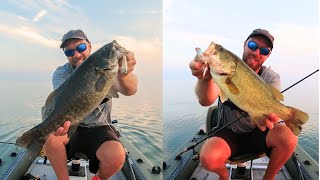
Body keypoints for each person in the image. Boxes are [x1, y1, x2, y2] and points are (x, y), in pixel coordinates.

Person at [189, 29, 297, 180]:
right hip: (228, 131)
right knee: (208, 158)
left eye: (264, 50)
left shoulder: (271, 77)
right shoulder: (218, 73)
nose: (256, 52)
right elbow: (205, 100)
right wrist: (205, 79)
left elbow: (269, 109)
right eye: (253, 45)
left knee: (289, 136)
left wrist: (279, 116)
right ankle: (224, 176)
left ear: (268, 55)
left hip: (257, 132)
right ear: (245, 44)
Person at [43, 29, 138, 180]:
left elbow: (130, 90)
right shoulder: (61, 73)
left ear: (90, 46)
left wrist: (123, 74)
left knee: (116, 155)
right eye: (69, 52)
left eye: (80, 47)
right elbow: (62, 101)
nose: (76, 54)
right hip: (72, 126)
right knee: (50, 139)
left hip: (99, 127)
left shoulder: (106, 69)